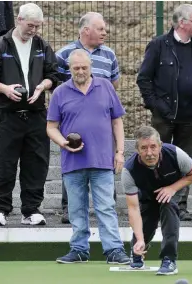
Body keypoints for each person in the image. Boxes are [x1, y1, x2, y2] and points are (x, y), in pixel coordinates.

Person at [47, 49, 130, 264]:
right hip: (72, 161)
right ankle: (79, 250)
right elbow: (51, 127)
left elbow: (117, 121)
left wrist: (120, 152)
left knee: (106, 207)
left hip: (103, 160)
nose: (81, 71)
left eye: (84, 67)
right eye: (76, 68)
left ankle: (114, 250)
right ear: (69, 69)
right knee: (76, 209)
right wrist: (62, 142)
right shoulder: (60, 93)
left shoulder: (105, 87)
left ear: (90, 67)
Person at [136, 4, 192, 221]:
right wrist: (156, 106)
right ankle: (152, 204)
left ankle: (179, 206)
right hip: (164, 117)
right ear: (182, 22)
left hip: (190, 117)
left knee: (185, 161)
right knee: (154, 158)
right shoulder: (159, 45)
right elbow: (144, 79)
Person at [56, 12, 120, 224]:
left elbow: (114, 86)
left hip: (100, 122)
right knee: (72, 165)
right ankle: (68, 208)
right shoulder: (64, 54)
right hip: (72, 121)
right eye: (100, 28)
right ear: (86, 30)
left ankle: (109, 206)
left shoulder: (109, 54)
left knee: (104, 167)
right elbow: (56, 85)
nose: (105, 32)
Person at [0, 3, 59, 226]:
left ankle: (31, 210)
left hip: (36, 114)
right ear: (19, 20)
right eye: (30, 25)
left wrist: (42, 86)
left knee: (36, 163)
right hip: (6, 115)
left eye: (37, 26)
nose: (33, 30)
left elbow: (53, 74)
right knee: (3, 163)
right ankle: (1, 209)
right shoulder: (1, 44)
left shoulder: (42, 45)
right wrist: (5, 89)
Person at [121, 125, 192, 275]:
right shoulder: (129, 171)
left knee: (168, 205)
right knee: (147, 221)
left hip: (172, 189)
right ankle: (137, 252)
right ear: (137, 150)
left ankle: (169, 259)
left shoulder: (175, 154)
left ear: (160, 146)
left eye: (153, 147)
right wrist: (139, 239)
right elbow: (133, 208)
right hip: (147, 194)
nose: (149, 153)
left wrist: (172, 188)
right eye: (144, 148)